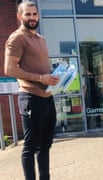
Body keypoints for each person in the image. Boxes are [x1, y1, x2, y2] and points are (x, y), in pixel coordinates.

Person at [4, 2, 59, 180]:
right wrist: (40, 78)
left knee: (45, 145)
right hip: (30, 98)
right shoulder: (16, 38)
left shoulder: (41, 39)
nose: (32, 18)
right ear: (20, 17)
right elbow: (10, 69)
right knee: (30, 147)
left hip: (47, 98)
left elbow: (42, 68)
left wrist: (56, 76)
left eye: (34, 14)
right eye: (28, 14)